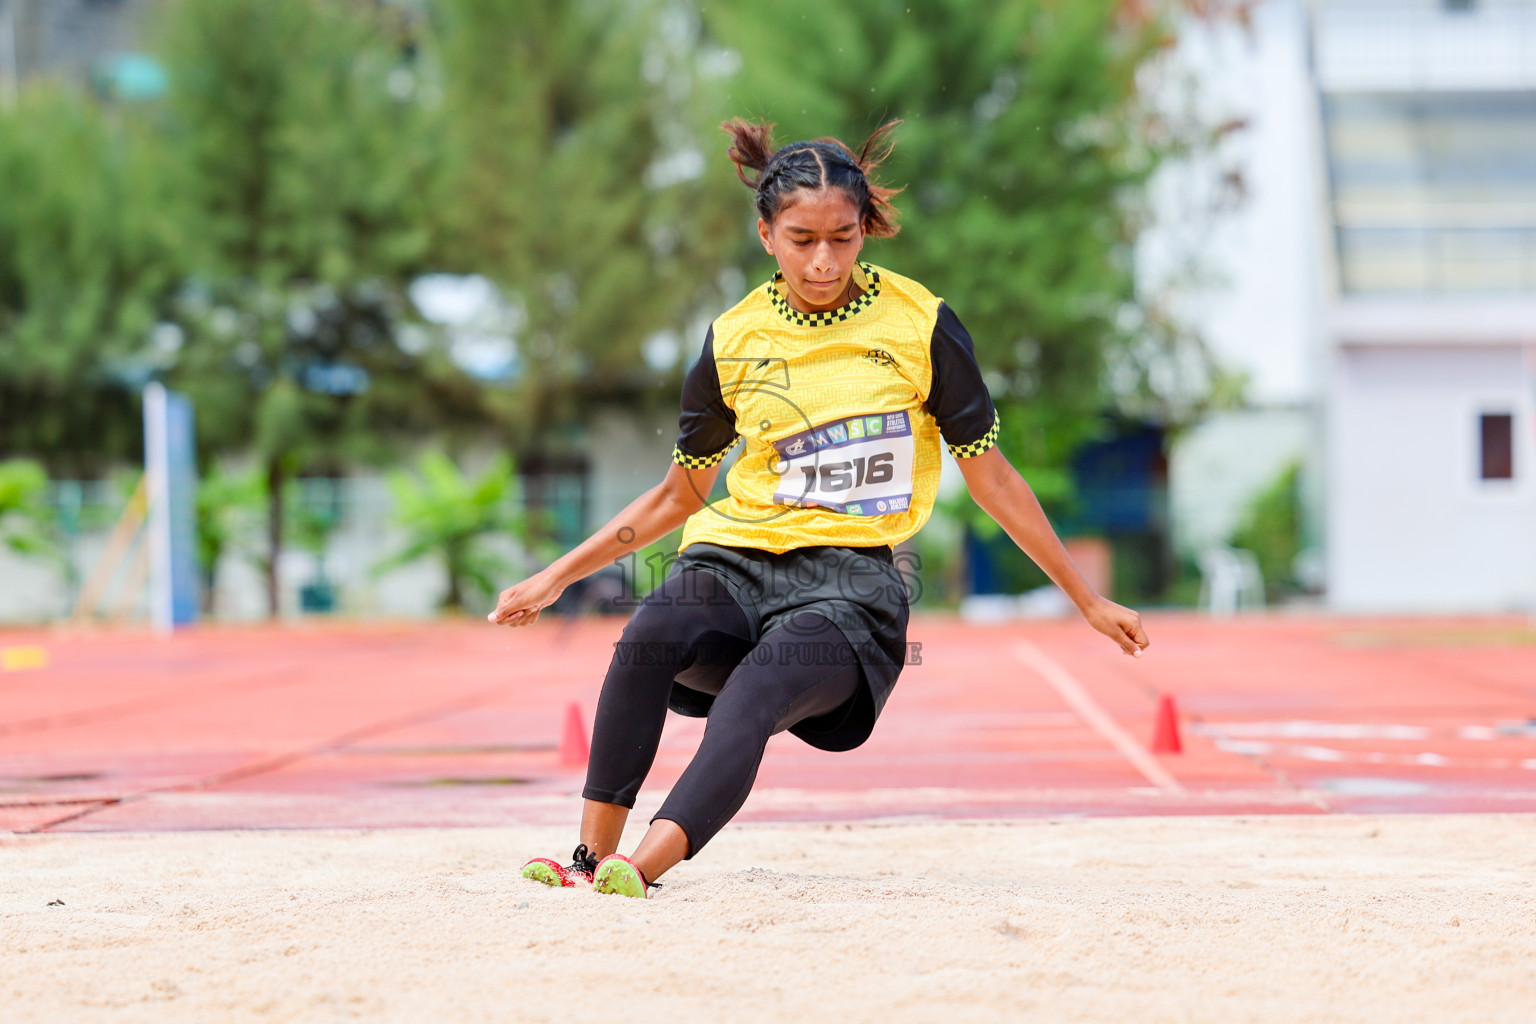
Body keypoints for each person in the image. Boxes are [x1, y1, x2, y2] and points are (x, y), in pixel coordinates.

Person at [488, 118, 1150, 899]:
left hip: (851, 590)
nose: (825, 260)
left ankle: (645, 867)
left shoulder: (921, 325)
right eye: (802, 239)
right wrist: (554, 578)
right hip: (735, 565)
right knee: (649, 632)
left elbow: (993, 477)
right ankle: (590, 859)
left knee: (760, 688)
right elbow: (680, 494)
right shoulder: (733, 339)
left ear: (865, 227)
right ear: (766, 234)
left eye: (843, 236)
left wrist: (1086, 597)